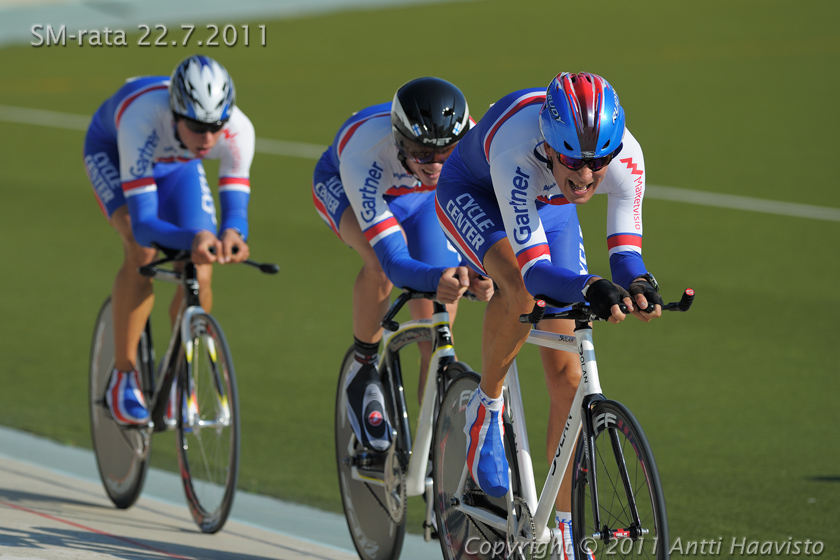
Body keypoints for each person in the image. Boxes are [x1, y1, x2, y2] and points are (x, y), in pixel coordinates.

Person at [435, 72, 663, 554]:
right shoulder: (518, 148)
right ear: (549, 145)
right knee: (518, 289)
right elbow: (535, 271)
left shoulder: (626, 156)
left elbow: (625, 248)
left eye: (597, 165)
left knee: (567, 376)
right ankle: (485, 409)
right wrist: (591, 284)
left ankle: (561, 528)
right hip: (476, 193)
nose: (584, 177)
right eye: (572, 162)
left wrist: (638, 281)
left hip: (549, 207)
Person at [312, 77, 493, 452]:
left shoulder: (473, 143)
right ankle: (363, 369)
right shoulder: (365, 149)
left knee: (436, 334)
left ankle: (436, 459)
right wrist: (437, 276)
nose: (436, 163)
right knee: (378, 264)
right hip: (349, 190)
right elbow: (394, 260)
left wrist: (476, 270)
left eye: (446, 153)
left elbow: (477, 222)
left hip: (421, 201)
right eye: (422, 153)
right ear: (398, 140)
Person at [84, 55, 255, 425]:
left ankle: (178, 366)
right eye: (197, 126)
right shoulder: (142, 117)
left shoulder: (239, 129)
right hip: (115, 153)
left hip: (178, 164)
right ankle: (123, 376)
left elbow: (236, 209)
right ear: (175, 112)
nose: (209, 139)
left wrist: (232, 235)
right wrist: (194, 236)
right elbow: (145, 223)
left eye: (216, 126)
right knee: (139, 247)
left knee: (202, 265)